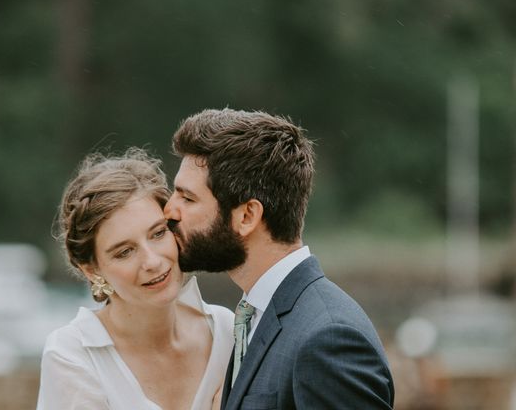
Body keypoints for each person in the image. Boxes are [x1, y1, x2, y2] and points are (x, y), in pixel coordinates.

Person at [164, 109, 395, 409]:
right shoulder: (255, 317)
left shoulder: (329, 339)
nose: (169, 210)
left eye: (187, 198)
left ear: (247, 216)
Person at [36, 148, 234, 410]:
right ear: (91, 270)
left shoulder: (227, 332)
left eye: (158, 234)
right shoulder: (72, 355)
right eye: (125, 252)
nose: (152, 262)